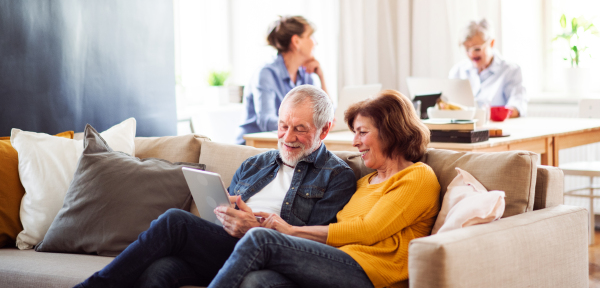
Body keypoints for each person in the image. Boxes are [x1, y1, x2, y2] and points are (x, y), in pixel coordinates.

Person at [74, 85, 356, 288]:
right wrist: (226, 215)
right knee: (160, 270)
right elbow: (223, 209)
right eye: (283, 126)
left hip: (271, 254)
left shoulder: (337, 176)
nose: (287, 137)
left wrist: (254, 227)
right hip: (224, 247)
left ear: (325, 129)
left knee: (175, 221)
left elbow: (312, 245)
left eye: (300, 129)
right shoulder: (255, 164)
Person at [206, 90, 441, 288]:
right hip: (334, 263)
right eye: (354, 133)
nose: (355, 142)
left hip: (372, 274)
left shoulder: (417, 177)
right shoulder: (364, 183)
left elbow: (369, 231)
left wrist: (290, 231)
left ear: (391, 132)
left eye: (362, 132)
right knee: (257, 281)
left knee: (261, 238)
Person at [236, 16, 330, 144]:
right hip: (254, 147)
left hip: (288, 145)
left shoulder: (305, 75)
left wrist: (321, 77)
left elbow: (328, 115)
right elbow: (266, 121)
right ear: (297, 41)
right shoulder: (266, 73)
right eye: (311, 36)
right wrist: (304, 126)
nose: (315, 42)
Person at [449, 19, 528, 117]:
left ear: (491, 43)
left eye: (477, 49)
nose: (471, 54)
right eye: (467, 49)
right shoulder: (457, 71)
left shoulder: (511, 70)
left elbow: (518, 106)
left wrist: (494, 114)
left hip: (497, 129)